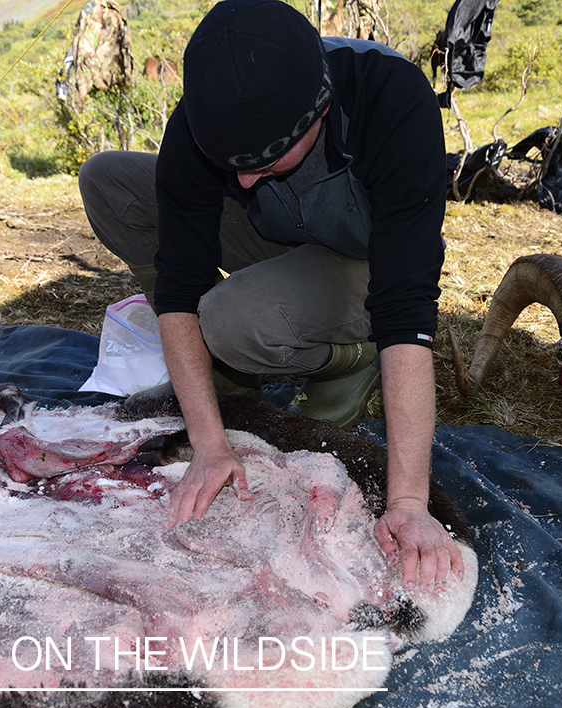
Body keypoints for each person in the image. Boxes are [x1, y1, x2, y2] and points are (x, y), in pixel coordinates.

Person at [78, 0, 464, 588]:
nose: (244, 179)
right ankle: (224, 378)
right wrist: (209, 442)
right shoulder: (209, 117)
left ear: (321, 111)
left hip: (371, 261)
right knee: (108, 181)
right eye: (231, 163)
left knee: (231, 321)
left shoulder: (394, 100)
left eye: (263, 159)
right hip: (279, 234)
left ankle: (351, 360)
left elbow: (406, 307)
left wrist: (408, 501)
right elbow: (179, 285)